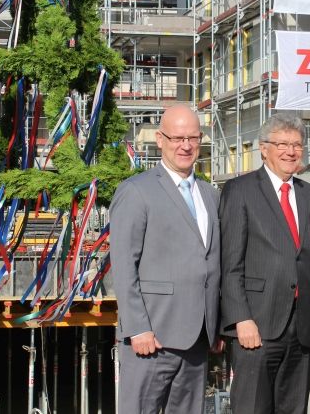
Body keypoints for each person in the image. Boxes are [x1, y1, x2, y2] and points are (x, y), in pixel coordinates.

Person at [220, 113, 310, 414]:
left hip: (303, 330)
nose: (291, 151)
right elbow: (230, 264)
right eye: (282, 144)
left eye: (297, 145)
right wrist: (240, 319)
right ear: (263, 148)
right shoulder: (240, 191)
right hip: (256, 327)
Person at [110, 104, 221, 414]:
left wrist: (216, 324)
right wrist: (137, 328)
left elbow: (213, 264)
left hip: (198, 338)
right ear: (160, 139)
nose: (185, 146)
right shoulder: (136, 191)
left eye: (193, 138)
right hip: (152, 337)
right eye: (177, 138)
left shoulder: (211, 195)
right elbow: (123, 265)